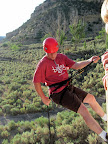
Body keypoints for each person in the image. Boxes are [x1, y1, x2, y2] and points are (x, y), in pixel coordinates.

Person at [33, 37, 108, 142]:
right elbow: (36, 82)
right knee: (84, 110)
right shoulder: (43, 64)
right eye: (49, 53)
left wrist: (89, 60)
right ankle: (105, 136)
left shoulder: (61, 57)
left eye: (54, 52)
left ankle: (106, 118)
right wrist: (43, 98)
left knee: (91, 98)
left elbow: (76, 65)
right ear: (45, 51)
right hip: (58, 93)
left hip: (68, 87)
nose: (52, 55)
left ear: (57, 49)